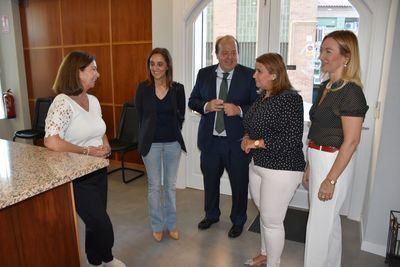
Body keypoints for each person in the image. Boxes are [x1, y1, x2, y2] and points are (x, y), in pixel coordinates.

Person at [44, 51, 125, 267]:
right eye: (93, 69)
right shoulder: (62, 103)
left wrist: (105, 142)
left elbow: (98, 127)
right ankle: (107, 257)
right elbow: (51, 141)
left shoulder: (93, 100)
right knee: (101, 223)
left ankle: (96, 260)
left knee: (93, 221)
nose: (97, 74)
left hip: (98, 171)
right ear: (77, 72)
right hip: (77, 177)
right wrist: (87, 151)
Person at [303, 30, 369, 267]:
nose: (322, 56)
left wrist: (330, 180)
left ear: (346, 57)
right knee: (328, 224)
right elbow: (317, 128)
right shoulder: (327, 87)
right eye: (322, 50)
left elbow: (351, 141)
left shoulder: (351, 92)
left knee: (319, 226)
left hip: (334, 163)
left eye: (328, 51)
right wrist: (310, 165)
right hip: (318, 157)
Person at [188, 35, 257, 238]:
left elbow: (257, 105)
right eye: (225, 53)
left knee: (239, 183)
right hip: (210, 142)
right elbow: (193, 100)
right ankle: (211, 215)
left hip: (237, 142)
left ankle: (238, 220)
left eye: (233, 52)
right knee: (210, 180)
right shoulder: (204, 74)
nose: (229, 57)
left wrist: (239, 110)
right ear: (216, 54)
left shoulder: (249, 75)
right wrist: (206, 106)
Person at [241, 53, 305, 266]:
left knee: (272, 220)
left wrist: (256, 143)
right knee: (264, 213)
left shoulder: (290, 99)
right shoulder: (263, 97)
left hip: (282, 168)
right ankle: (264, 253)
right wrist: (247, 138)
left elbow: (289, 139)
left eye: (259, 71)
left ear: (275, 74)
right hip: (258, 165)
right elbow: (252, 126)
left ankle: (273, 263)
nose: (254, 75)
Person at [135, 48, 186, 242]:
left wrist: (173, 129)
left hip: (172, 144)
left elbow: (180, 115)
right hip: (151, 145)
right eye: (152, 63)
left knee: (170, 187)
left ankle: (171, 224)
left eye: (159, 64)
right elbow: (140, 116)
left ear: (167, 66)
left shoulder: (178, 89)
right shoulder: (143, 88)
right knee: (154, 186)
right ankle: (157, 225)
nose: (155, 68)